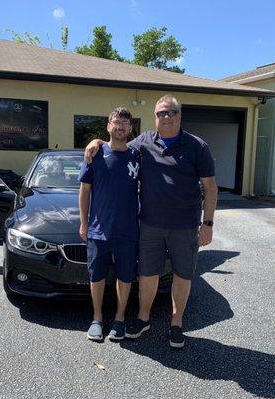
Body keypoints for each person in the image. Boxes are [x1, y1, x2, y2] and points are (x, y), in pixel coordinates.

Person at [84, 95, 217, 348]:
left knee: (183, 273)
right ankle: (143, 318)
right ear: (155, 117)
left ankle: (176, 324)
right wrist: (97, 141)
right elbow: (118, 144)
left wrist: (207, 223)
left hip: (185, 224)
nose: (166, 117)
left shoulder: (197, 146)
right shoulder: (144, 142)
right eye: (161, 113)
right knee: (147, 273)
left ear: (179, 115)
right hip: (149, 223)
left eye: (171, 112)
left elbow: (210, 187)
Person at [78, 107, 141, 342]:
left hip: (128, 230)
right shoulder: (94, 155)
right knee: (97, 277)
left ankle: (120, 320)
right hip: (98, 230)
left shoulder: (137, 156)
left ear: (131, 128)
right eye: (116, 122)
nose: (121, 126)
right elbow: (84, 192)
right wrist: (84, 224)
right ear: (108, 126)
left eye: (126, 122)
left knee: (125, 277)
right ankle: (97, 319)